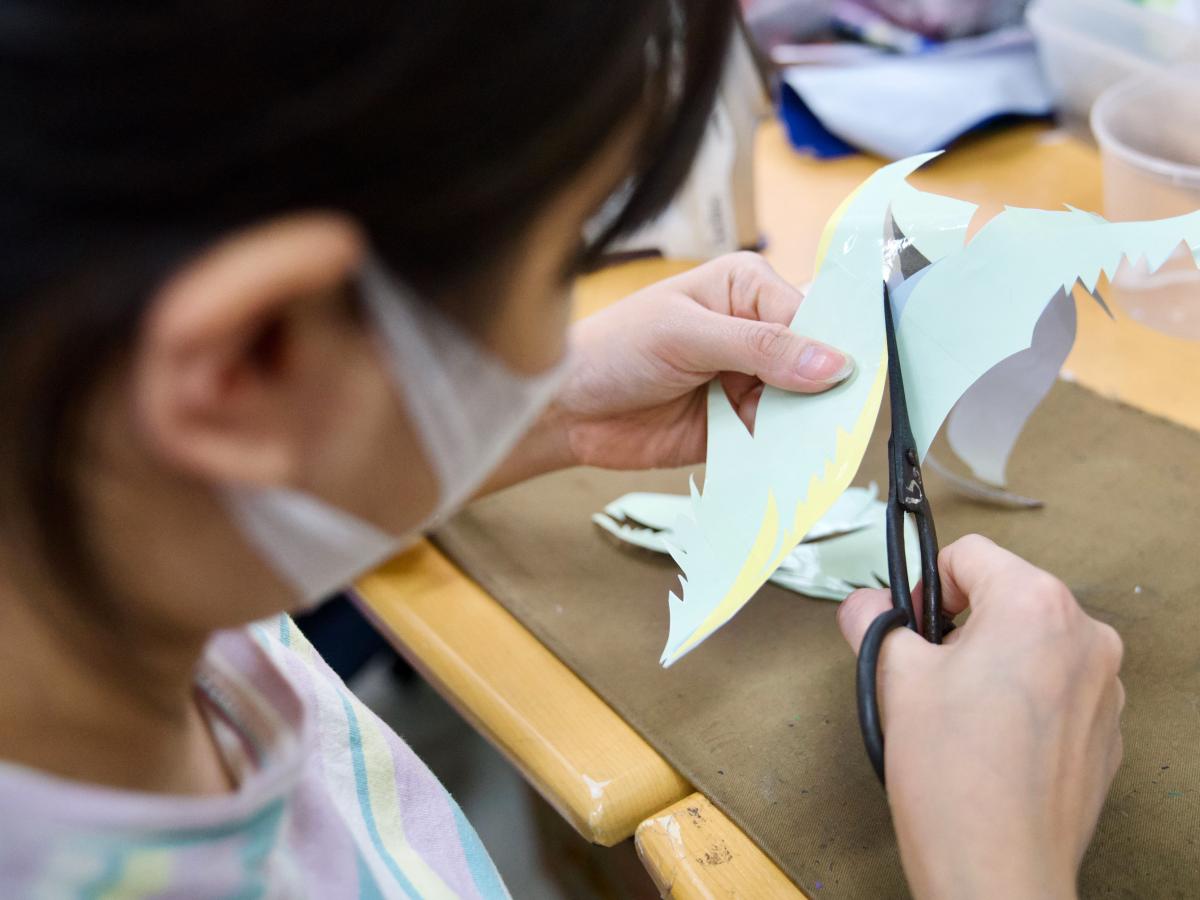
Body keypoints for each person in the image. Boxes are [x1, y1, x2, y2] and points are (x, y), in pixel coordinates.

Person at [0, 2, 1122, 898]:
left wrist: (527, 409)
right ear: (247, 360)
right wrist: (997, 866)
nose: (553, 331)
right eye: (558, 267)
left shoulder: (79, 536)